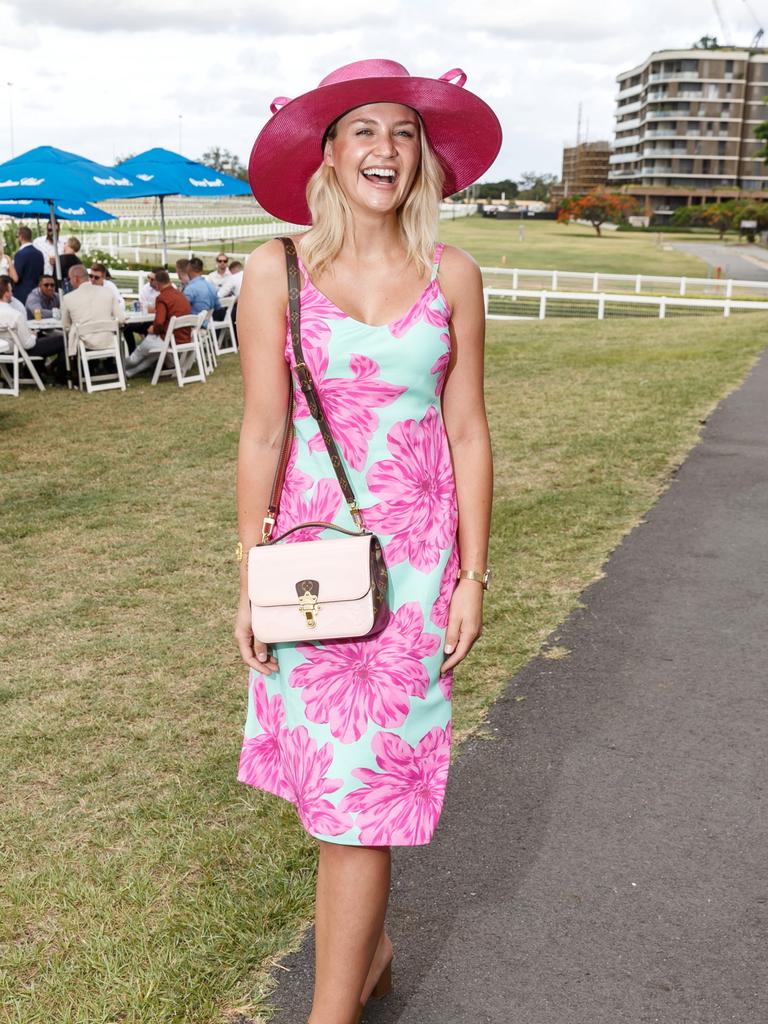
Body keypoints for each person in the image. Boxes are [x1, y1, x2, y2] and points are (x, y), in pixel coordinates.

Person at [234, 59, 500, 1024]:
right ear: (330, 155)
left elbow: (467, 430)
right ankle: (372, 953)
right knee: (338, 793)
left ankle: (331, 1011)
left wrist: (473, 575)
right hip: (315, 569)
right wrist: (247, 578)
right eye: (364, 131)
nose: (385, 149)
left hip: (420, 566)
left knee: (364, 798)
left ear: (422, 155)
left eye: (402, 132)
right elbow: (264, 432)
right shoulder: (277, 269)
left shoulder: (454, 275)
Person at [124, 269, 192, 378]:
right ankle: (128, 373)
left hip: (168, 339)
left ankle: (121, 368)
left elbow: (159, 323)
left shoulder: (162, 298)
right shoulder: (180, 295)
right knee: (152, 355)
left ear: (157, 283)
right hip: (184, 336)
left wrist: (153, 329)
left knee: (139, 352)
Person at [0, 276, 68, 383]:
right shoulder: (16, 314)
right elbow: (28, 344)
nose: (12, 293)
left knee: (45, 337)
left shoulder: (14, 310)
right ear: (7, 293)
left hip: (4, 350)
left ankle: (37, 371)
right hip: (20, 350)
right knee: (64, 339)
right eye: (11, 290)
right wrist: (33, 335)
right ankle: (61, 376)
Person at [61, 263, 125, 363]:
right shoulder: (107, 292)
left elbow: (66, 326)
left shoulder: (67, 298)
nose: (70, 282)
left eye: (70, 279)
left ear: (76, 279)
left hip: (84, 343)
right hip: (108, 340)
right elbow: (121, 319)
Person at [13, 226, 45, 306]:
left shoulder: (20, 254)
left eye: (17, 236)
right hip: (37, 291)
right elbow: (41, 274)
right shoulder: (39, 253)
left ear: (21, 237)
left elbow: (17, 276)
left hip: (22, 293)